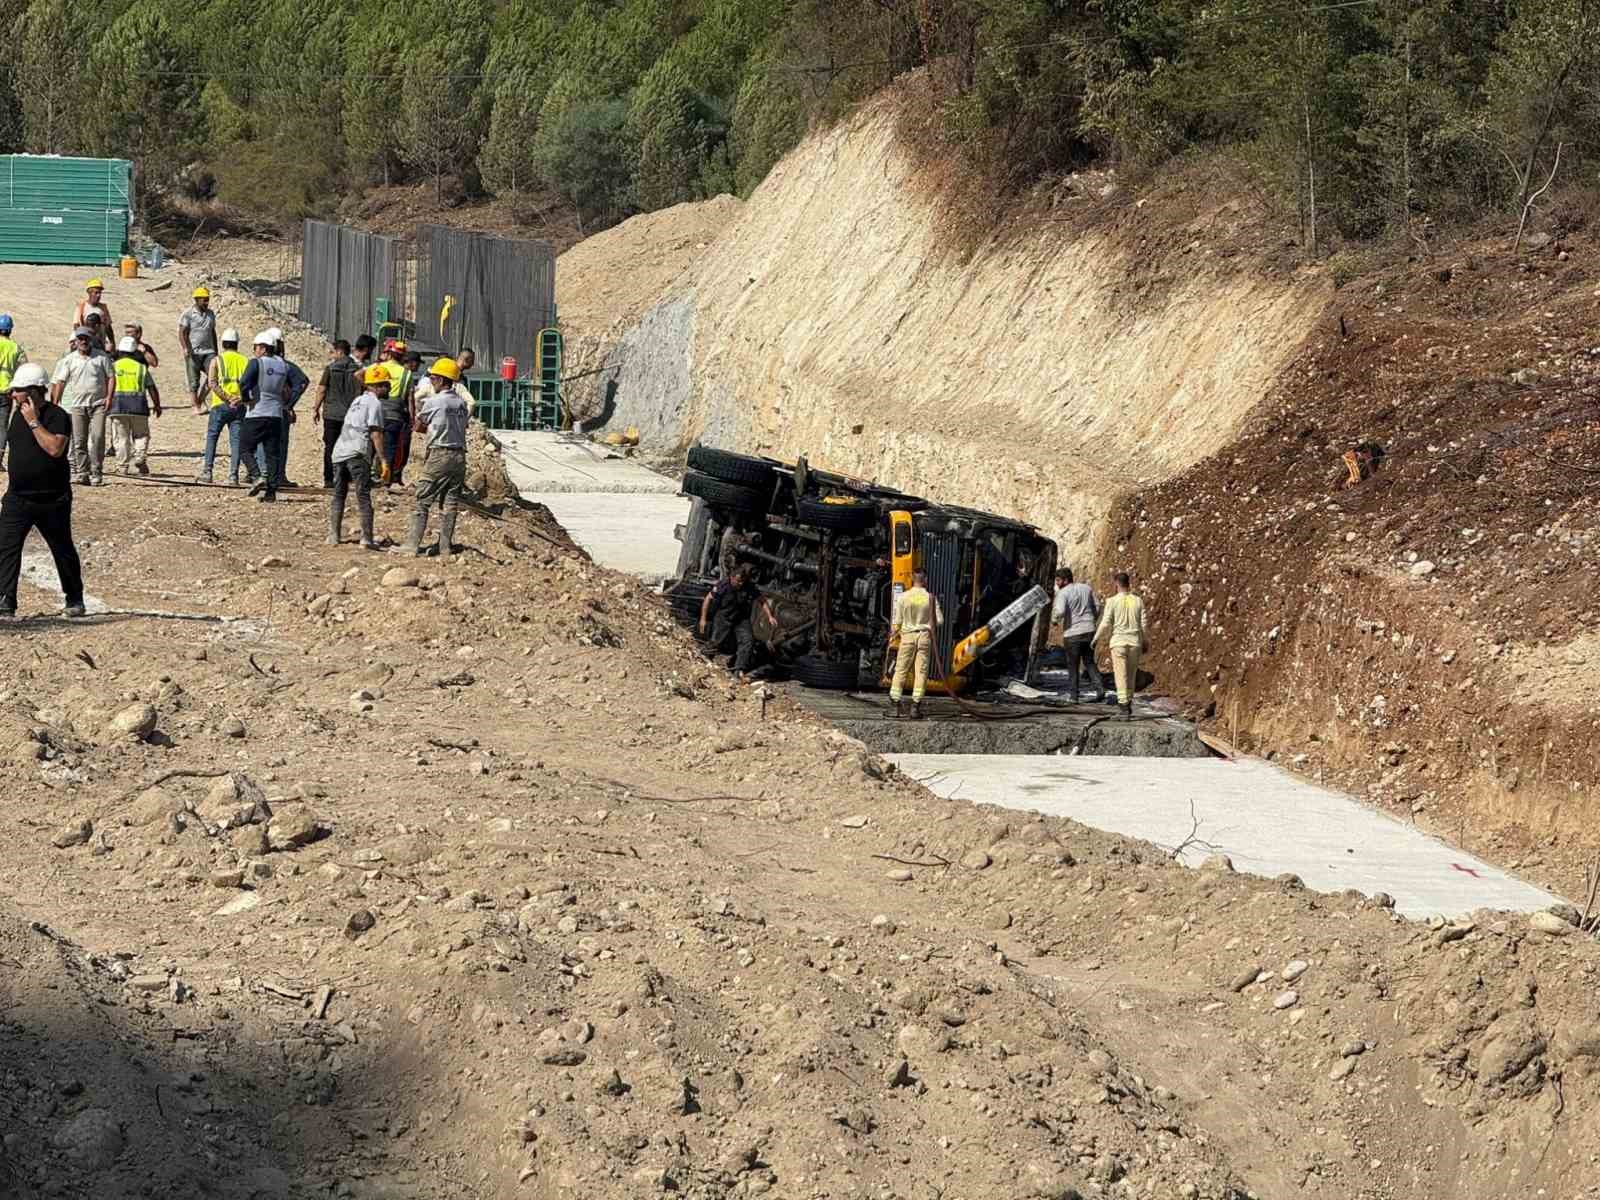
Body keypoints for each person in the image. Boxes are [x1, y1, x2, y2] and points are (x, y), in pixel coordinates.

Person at [0, 364, 85, 619]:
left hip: (52, 499)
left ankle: (74, 598)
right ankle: (5, 601)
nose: (13, 395)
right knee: (6, 547)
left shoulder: (57, 416)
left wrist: (33, 422)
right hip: (18, 497)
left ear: (35, 392)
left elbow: (55, 449)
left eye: (18, 391)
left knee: (62, 548)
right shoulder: (16, 416)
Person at [401, 357, 470, 556]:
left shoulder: (434, 401)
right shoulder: (461, 404)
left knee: (422, 499)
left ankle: (411, 545)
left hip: (439, 454)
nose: (431, 380)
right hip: (459, 456)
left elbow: (419, 426)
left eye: (433, 377)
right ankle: (445, 547)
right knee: (450, 502)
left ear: (441, 380)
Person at [328, 365, 388, 549]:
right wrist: (383, 460)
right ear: (378, 386)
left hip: (339, 452)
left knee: (339, 495)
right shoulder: (375, 404)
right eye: (386, 385)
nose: (389, 389)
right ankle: (367, 539)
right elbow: (375, 433)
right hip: (357, 453)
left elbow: (359, 376)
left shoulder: (357, 400)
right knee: (363, 495)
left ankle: (333, 536)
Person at [50, 327, 114, 486]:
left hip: (98, 404)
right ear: (76, 341)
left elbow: (111, 377)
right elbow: (60, 381)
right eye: (80, 338)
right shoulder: (70, 360)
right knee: (79, 440)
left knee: (98, 437)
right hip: (77, 405)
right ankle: (82, 472)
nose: (83, 341)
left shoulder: (101, 357)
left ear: (90, 339)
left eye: (86, 338)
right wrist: (55, 403)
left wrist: (109, 397)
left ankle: (97, 471)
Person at [697, 564, 780, 679]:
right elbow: (708, 599)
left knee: (748, 640)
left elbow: (762, 600)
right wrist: (703, 619)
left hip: (741, 618)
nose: (740, 584)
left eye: (743, 581)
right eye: (738, 581)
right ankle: (703, 660)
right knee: (716, 641)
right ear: (732, 577)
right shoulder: (723, 585)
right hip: (724, 616)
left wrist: (770, 616)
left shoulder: (748, 586)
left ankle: (739, 670)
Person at [236, 331, 290, 503]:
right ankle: (271, 493)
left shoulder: (256, 363)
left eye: (256, 347)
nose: (255, 351)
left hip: (257, 413)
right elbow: (291, 387)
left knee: (244, 448)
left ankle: (257, 475)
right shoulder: (283, 365)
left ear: (262, 347)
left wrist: (245, 399)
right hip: (276, 415)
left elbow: (243, 383)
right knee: (272, 454)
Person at [1093, 571, 1148, 718]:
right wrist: (1145, 641)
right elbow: (1143, 624)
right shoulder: (1138, 601)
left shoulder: (1112, 601)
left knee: (1120, 675)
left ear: (1117, 584)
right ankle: (1128, 703)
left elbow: (1105, 623)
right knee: (1131, 675)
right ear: (1128, 583)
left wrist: (1096, 638)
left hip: (1118, 643)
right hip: (1135, 643)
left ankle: (1123, 707)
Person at [197, 328, 249, 484]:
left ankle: (207, 473)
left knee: (212, 437)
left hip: (220, 405)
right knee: (236, 441)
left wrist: (225, 398)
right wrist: (238, 399)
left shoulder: (217, 360)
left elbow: (211, 383)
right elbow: (248, 384)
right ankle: (233, 476)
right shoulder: (245, 361)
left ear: (223, 343)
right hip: (238, 406)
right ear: (237, 343)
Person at [889, 567, 940, 719]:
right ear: (925, 580)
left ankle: (895, 707)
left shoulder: (903, 597)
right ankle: (915, 708)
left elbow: (897, 622)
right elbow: (940, 620)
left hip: (908, 637)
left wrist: (893, 633)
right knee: (921, 672)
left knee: (901, 670)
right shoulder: (931, 598)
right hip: (924, 637)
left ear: (912, 578)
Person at [107, 336, 161, 476]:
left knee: (121, 438)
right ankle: (140, 457)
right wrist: (157, 405)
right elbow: (152, 388)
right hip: (139, 407)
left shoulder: (113, 366)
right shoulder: (141, 368)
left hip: (117, 407)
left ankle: (122, 467)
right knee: (142, 435)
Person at [1052, 567, 1105, 704]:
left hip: (1072, 633)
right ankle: (1100, 689)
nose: (1057, 583)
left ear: (1065, 580)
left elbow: (1060, 611)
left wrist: (1054, 620)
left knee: (1073, 665)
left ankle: (1074, 696)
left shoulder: (1063, 593)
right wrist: (1092, 620)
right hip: (1089, 630)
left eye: (1058, 580)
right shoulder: (1086, 588)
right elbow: (1098, 606)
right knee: (1089, 662)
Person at [313, 339, 361, 488]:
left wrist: (315, 408)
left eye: (333, 352)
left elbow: (321, 389)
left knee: (330, 447)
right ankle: (344, 479)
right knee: (348, 447)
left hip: (332, 414)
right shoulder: (358, 370)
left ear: (340, 352)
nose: (331, 355)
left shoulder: (331, 369)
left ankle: (329, 479)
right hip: (351, 415)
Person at [269, 336, 310, 488]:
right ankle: (279, 476)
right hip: (280, 411)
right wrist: (290, 404)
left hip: (264, 410)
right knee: (280, 443)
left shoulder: (260, 364)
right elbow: (302, 382)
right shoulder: (285, 366)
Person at [379, 341, 414, 488]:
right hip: (395, 414)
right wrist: (412, 417)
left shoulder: (379, 367)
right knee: (391, 447)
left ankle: (372, 476)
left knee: (373, 445)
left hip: (377, 410)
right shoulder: (407, 374)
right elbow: (409, 398)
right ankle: (387, 479)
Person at [177, 286, 218, 411]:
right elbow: (182, 332)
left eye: (207, 299)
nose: (206, 302)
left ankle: (200, 400)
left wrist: (216, 350)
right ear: (197, 300)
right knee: (194, 381)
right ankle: (195, 405)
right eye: (204, 300)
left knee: (214, 377)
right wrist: (185, 348)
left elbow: (213, 332)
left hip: (209, 351)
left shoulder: (211, 314)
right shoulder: (188, 314)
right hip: (193, 352)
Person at [0, 313, 26, 472]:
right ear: (10, 330)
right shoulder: (16, 347)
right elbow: (23, 369)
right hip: (6, 391)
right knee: (2, 426)